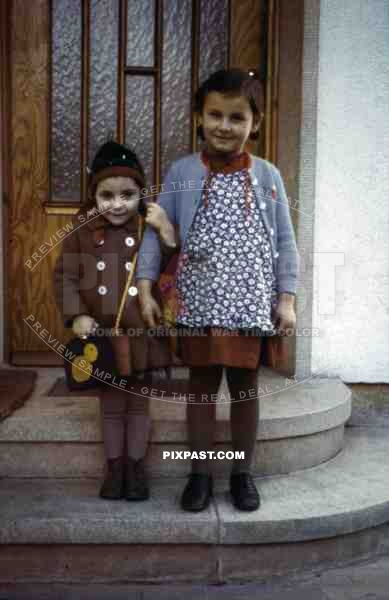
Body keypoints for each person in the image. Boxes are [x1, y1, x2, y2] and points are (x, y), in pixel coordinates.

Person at [136, 68, 299, 512]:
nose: (224, 126)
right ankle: (200, 474)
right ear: (199, 117)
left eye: (236, 117)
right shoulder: (182, 171)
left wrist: (286, 298)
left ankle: (243, 474)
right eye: (215, 115)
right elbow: (155, 233)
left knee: (244, 388)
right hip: (198, 301)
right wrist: (146, 288)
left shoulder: (268, 176)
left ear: (255, 123)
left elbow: (285, 239)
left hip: (249, 304)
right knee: (201, 389)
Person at [53, 140, 175, 501]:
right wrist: (76, 315)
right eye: (107, 195)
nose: (117, 203)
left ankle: (136, 469)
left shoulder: (147, 228)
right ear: (94, 195)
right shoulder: (81, 230)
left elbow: (171, 270)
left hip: (142, 331)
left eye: (127, 194)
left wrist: (167, 231)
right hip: (104, 335)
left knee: (138, 403)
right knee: (110, 404)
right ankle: (115, 467)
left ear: (141, 194)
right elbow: (65, 277)